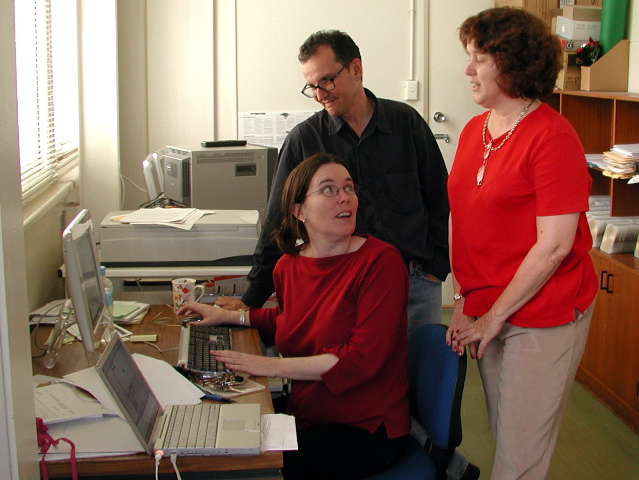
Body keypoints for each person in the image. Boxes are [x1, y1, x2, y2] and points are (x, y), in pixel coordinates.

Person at [180, 153, 410, 479]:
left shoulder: (381, 263)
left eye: (349, 188)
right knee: (213, 443)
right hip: (308, 415)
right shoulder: (289, 265)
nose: (345, 197)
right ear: (299, 211)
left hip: (366, 427)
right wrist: (232, 317)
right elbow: (291, 321)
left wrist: (269, 365)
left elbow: (361, 361)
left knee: (247, 469)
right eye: (329, 189)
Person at [446, 7, 598, 479]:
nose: (467, 70)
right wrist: (464, 298)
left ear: (511, 64)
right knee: (504, 430)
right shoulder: (475, 130)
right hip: (488, 305)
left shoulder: (552, 137)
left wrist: (493, 315)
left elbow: (554, 247)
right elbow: (466, 220)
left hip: (543, 313)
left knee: (518, 456)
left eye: (478, 59)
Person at [218, 29, 450, 336]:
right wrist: (252, 297)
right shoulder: (304, 139)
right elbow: (279, 218)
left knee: (417, 376)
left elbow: (441, 199)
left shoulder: (406, 123)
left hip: (414, 286)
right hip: (340, 288)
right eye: (311, 86)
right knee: (351, 374)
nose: (319, 94)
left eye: (326, 81)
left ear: (356, 69)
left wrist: (437, 268)